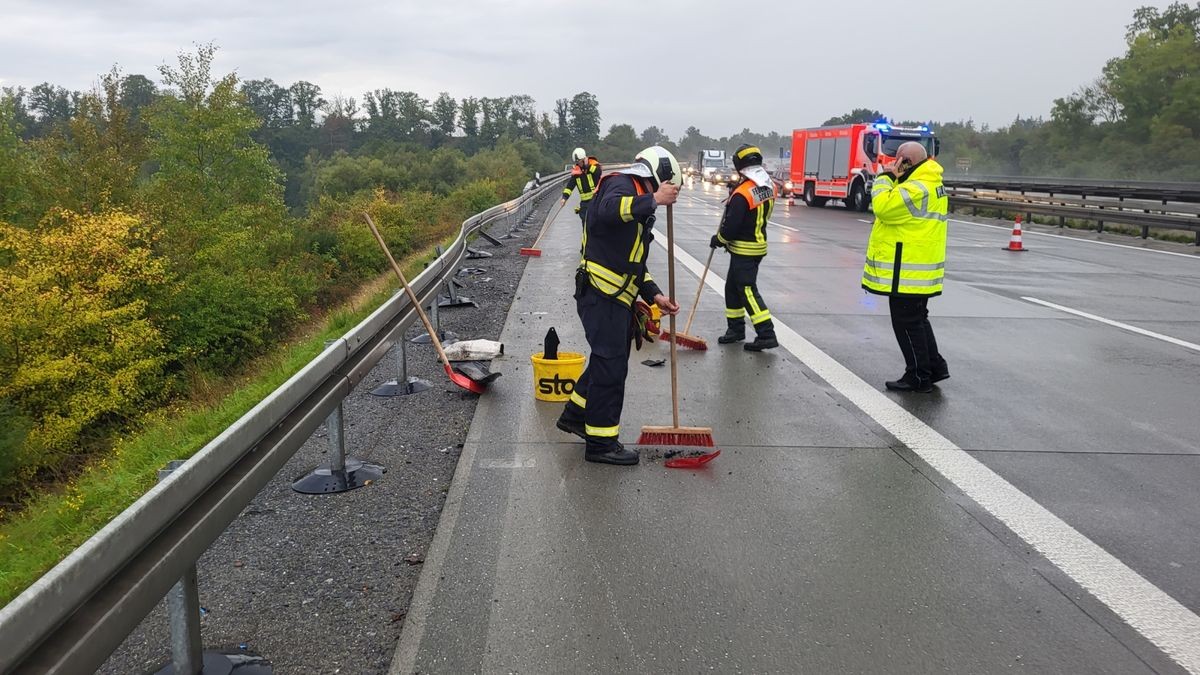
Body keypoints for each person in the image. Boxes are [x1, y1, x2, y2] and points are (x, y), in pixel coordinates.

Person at [556, 146, 682, 465]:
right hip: (600, 294)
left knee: (605, 361)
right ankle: (601, 444)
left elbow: (634, 262)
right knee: (611, 367)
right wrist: (652, 200)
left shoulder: (638, 198)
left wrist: (654, 295)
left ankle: (575, 415)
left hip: (614, 298)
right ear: (658, 173)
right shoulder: (622, 183)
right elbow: (605, 211)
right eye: (661, 188)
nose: (659, 194)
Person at [863, 141, 949, 393]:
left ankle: (918, 376)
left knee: (907, 324)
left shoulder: (916, 187)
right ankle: (934, 366)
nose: (893, 163)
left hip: (907, 272)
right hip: (918, 268)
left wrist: (885, 177)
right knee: (918, 320)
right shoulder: (930, 182)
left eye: (897, 159)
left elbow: (883, 207)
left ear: (905, 162)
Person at [711, 144, 778, 351]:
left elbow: (731, 227)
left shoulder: (742, 193)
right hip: (755, 245)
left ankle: (766, 333)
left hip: (745, 249)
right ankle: (736, 329)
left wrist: (719, 239)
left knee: (747, 290)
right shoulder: (768, 185)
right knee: (732, 288)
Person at [561, 147, 602, 225]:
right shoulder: (577, 173)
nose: (579, 164)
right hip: (584, 204)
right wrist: (564, 198)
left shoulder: (594, 166)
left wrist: (588, 167)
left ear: (584, 159)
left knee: (597, 225)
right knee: (586, 226)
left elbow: (598, 173)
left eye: (580, 162)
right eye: (577, 163)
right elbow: (569, 187)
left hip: (596, 201)